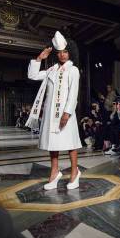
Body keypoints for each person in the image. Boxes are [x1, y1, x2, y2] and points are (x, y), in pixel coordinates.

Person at [25, 31, 82, 190]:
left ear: (70, 52)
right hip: (51, 114)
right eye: (59, 53)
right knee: (53, 145)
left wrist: (67, 113)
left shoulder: (73, 70)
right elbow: (32, 75)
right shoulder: (51, 70)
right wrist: (39, 58)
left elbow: (73, 93)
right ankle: (55, 172)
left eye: (65, 52)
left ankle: (74, 172)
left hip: (66, 112)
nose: (62, 55)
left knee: (71, 144)